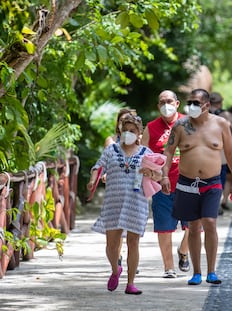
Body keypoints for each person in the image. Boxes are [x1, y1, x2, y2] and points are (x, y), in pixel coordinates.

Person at [162, 88, 232, 285]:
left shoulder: (221, 124)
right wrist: (163, 175)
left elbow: (231, 154)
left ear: (207, 105)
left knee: (210, 222)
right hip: (187, 183)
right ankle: (197, 272)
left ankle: (212, 271)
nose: (191, 107)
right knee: (193, 226)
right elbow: (169, 151)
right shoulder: (180, 126)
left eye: (196, 103)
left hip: (212, 182)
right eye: (189, 102)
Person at [88, 114, 162, 295]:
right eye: (125, 130)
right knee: (112, 245)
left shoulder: (146, 153)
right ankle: (115, 270)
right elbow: (98, 167)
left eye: (132, 131)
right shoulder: (111, 150)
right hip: (113, 203)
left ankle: (131, 283)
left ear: (139, 133)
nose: (128, 134)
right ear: (120, 131)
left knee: (133, 242)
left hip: (136, 203)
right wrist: (92, 181)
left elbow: (158, 175)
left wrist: (150, 173)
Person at [141, 90, 190, 278]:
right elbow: (143, 156)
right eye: (162, 102)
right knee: (164, 228)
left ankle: (183, 251)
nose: (165, 105)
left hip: (188, 184)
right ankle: (168, 268)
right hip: (161, 185)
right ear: (157, 106)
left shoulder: (189, 124)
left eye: (169, 101)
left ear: (177, 104)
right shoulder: (151, 127)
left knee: (194, 226)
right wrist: (154, 175)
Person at [103, 107, 137, 269]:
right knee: (116, 227)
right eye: (123, 121)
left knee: (132, 229)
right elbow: (104, 162)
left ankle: (131, 260)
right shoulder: (111, 142)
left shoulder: (140, 142)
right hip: (115, 190)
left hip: (134, 191)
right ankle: (117, 255)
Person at [209, 92, 232, 214]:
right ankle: (216, 204)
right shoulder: (226, 115)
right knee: (219, 180)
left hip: (203, 155)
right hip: (221, 155)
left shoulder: (201, 114)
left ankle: (208, 203)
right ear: (220, 102)